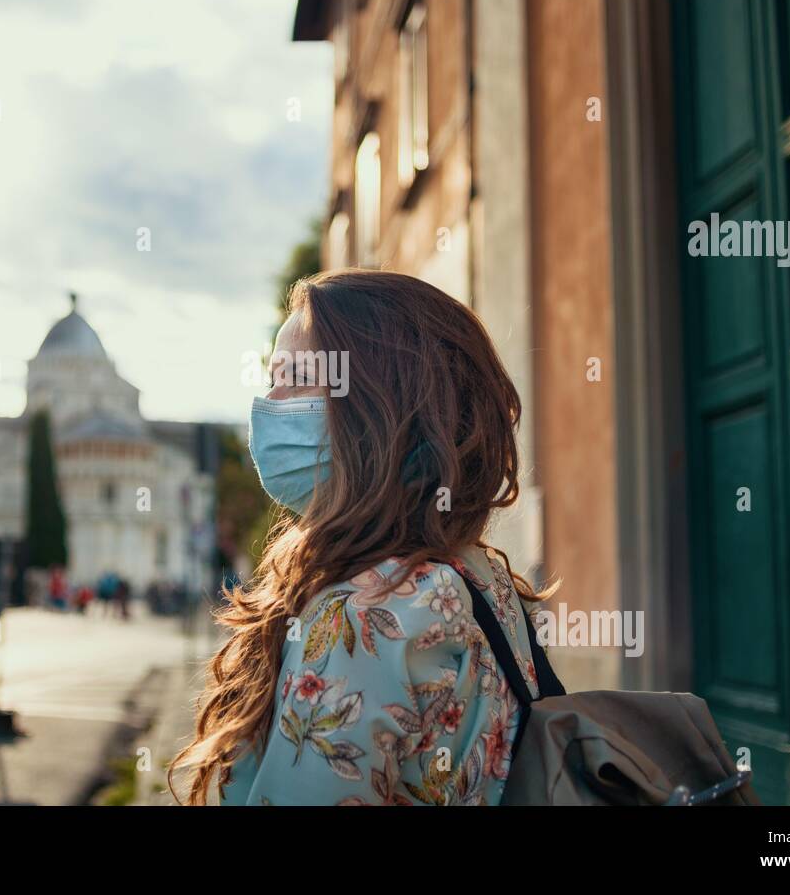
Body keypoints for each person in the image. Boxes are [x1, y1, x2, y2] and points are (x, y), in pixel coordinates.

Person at [170, 269, 553, 805]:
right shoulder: (486, 577)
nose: (268, 403)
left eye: (295, 376)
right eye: (270, 378)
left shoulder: (364, 616)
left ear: (381, 402)